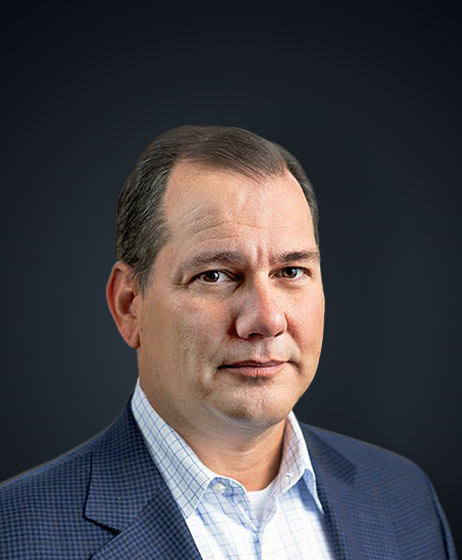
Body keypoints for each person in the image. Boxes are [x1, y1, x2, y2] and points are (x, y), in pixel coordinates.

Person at [0, 126, 456, 559]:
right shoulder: (16, 534)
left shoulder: (404, 497)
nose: (266, 320)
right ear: (129, 305)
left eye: (291, 271)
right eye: (215, 275)